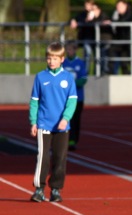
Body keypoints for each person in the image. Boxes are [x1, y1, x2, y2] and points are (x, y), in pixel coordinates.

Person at [29, 42, 78, 203]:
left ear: (62, 59)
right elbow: (34, 101)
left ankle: (56, 189)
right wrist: (34, 122)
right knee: (42, 157)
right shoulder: (40, 77)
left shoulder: (67, 78)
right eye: (49, 58)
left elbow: (72, 101)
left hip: (62, 126)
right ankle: (39, 189)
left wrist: (65, 119)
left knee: (60, 157)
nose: (51, 61)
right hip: (44, 125)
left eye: (55, 58)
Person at [62, 40, 88, 151]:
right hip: (65, 97)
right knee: (66, 118)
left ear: (75, 50)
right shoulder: (63, 63)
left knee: (76, 119)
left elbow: (83, 79)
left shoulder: (80, 63)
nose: (69, 51)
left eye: (71, 49)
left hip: (78, 97)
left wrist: (72, 84)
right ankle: (67, 140)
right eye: (67, 49)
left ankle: (74, 139)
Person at [69, 0, 96, 72]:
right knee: (86, 54)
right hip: (86, 38)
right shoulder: (82, 14)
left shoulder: (97, 13)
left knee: (96, 56)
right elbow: (76, 19)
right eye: (86, 4)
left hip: (95, 38)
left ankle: (97, 72)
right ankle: (85, 72)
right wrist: (73, 20)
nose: (87, 6)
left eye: (89, 4)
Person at [109, 0, 132, 74]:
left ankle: (127, 78)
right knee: (111, 53)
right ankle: (111, 73)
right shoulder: (116, 14)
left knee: (124, 63)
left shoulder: (129, 14)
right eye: (117, 7)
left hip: (126, 42)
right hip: (118, 41)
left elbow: (123, 21)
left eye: (120, 6)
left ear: (125, 6)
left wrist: (112, 21)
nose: (118, 8)